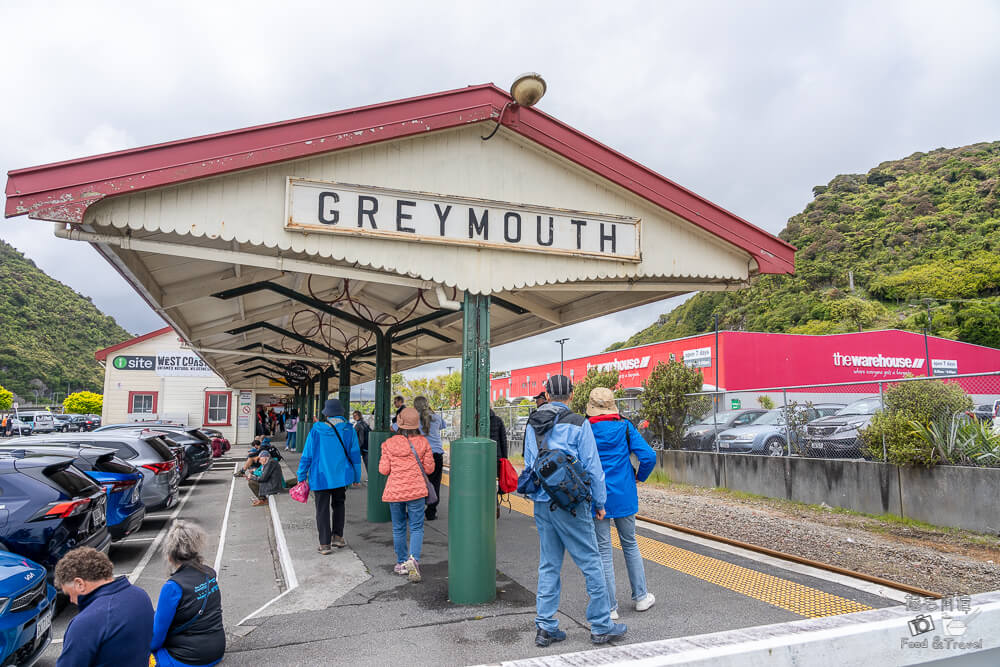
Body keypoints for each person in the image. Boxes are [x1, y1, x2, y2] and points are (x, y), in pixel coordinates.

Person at [523, 375, 626, 647]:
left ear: (545, 394)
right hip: (572, 504)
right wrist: (600, 503)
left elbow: (529, 464)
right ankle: (602, 625)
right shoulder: (579, 423)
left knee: (549, 564)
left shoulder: (532, 423)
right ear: (570, 395)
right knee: (591, 561)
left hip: (543, 503)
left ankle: (545, 627)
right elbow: (593, 467)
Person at [585, 387, 658, 619]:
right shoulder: (625, 426)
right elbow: (648, 456)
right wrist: (640, 476)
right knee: (630, 544)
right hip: (625, 494)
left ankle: (609, 607)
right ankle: (641, 597)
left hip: (598, 497)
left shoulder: (586, 428)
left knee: (603, 551)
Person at [55, 546, 154, 667]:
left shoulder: (86, 623)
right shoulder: (140, 595)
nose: (71, 600)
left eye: (69, 594)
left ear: (79, 583)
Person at [149, 521, 225, 667]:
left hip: (189, 658)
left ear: (170, 556)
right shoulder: (209, 574)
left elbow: (155, 640)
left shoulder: (173, 587)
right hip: (216, 650)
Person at [297, 399, 363, 554]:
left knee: (322, 509)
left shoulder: (316, 430)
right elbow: (355, 455)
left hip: (320, 476)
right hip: (341, 476)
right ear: (341, 412)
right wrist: (356, 477)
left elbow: (307, 455)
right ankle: (338, 537)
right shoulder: (349, 430)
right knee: (339, 505)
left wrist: (301, 475)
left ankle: (325, 544)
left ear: (326, 413)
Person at [379, 407, 434, 582]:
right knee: (417, 527)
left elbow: (383, 469)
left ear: (399, 424)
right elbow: (429, 469)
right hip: (416, 491)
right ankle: (413, 560)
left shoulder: (388, 444)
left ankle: (401, 562)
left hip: (395, 492)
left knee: (398, 527)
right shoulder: (424, 443)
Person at [413, 396, 445, 521]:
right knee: (435, 484)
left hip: (420, 455)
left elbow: (394, 427)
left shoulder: (414, 418)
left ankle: (417, 512)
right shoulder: (436, 417)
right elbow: (443, 426)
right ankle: (431, 512)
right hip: (436, 454)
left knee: (419, 484)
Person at [490, 408, 509, 518]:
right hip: (497, 457)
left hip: (482, 458)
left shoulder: (477, 421)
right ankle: (495, 506)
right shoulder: (498, 420)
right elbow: (503, 440)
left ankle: (486, 507)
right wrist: (504, 458)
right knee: (494, 483)